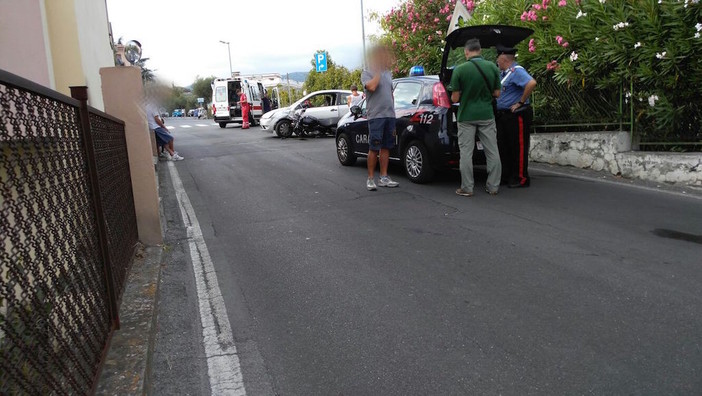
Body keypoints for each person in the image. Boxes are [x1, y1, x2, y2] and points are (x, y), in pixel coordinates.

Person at [448, 38, 501, 197]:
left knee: (466, 152)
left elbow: (455, 99)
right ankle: (493, 187)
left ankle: (467, 187)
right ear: (480, 50)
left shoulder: (460, 70)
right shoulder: (492, 67)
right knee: (492, 151)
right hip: (486, 115)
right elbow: (497, 93)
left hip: (466, 117)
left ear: (466, 52)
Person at [495, 44, 537, 188]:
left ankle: (521, 178)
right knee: (504, 147)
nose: (497, 61)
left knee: (517, 147)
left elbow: (531, 83)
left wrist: (520, 102)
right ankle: (507, 176)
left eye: (498, 58)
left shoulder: (517, 71)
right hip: (503, 116)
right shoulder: (504, 73)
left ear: (503, 58)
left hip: (516, 116)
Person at [361, 45, 399, 191]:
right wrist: (377, 71)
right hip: (376, 116)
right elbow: (372, 87)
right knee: (374, 147)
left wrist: (393, 111)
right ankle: (370, 179)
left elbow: (390, 94)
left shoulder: (388, 73)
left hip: (389, 115)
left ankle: (384, 177)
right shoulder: (367, 73)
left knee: (386, 147)